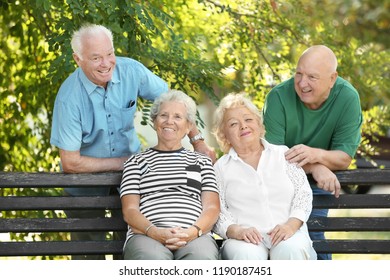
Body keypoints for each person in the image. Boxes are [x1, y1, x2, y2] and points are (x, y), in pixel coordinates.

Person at [50, 24, 216, 260]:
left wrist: (198, 141)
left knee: (127, 247)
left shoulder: (131, 71)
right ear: (78, 59)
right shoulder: (69, 98)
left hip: (128, 183)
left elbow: (173, 103)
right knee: (87, 256)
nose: (106, 63)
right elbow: (70, 163)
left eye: (109, 54)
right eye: (96, 58)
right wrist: (124, 162)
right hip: (83, 184)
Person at [263, 45, 363, 260]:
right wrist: (315, 166)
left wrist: (316, 156)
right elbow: (273, 158)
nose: (302, 83)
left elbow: (343, 157)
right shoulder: (278, 97)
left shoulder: (347, 98)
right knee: (277, 237)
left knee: (314, 234)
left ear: (332, 78)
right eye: (298, 73)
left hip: (318, 184)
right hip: (280, 180)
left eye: (312, 77)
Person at [212, 93, 317, 260]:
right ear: (224, 135)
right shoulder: (220, 168)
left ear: (259, 125)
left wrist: (290, 226)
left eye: (248, 120)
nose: (243, 126)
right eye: (233, 124)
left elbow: (303, 195)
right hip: (244, 239)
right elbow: (218, 211)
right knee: (246, 255)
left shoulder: (283, 154)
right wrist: (237, 231)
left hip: (289, 232)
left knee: (291, 249)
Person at [119, 89, 220, 260]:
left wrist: (192, 232)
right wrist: (155, 232)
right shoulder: (136, 162)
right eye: (163, 115)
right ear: (154, 121)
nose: (169, 121)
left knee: (201, 260)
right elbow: (130, 210)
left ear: (189, 126)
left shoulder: (200, 162)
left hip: (194, 235)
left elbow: (212, 207)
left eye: (177, 117)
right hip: (147, 235)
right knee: (151, 261)